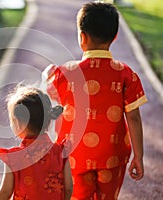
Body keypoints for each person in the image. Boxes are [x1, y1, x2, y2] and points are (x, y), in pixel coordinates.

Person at [42, 2, 147, 200]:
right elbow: (133, 118)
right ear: (114, 37)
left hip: (74, 155)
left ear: (82, 37)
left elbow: (49, 99)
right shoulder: (125, 74)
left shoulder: (64, 73)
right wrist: (139, 157)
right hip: (112, 155)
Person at [0, 84, 73, 200]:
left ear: (18, 124)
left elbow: (5, 192)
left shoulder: (14, 158)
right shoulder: (60, 152)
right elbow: (69, 187)